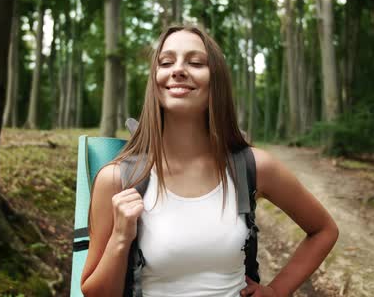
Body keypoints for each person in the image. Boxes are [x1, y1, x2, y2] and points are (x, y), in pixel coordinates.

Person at [80, 25, 339, 297]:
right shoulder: (119, 180)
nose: (178, 70)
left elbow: (324, 230)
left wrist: (276, 290)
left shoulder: (253, 167)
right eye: (166, 62)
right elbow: (95, 293)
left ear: (216, 81)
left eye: (195, 62)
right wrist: (120, 238)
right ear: (155, 80)